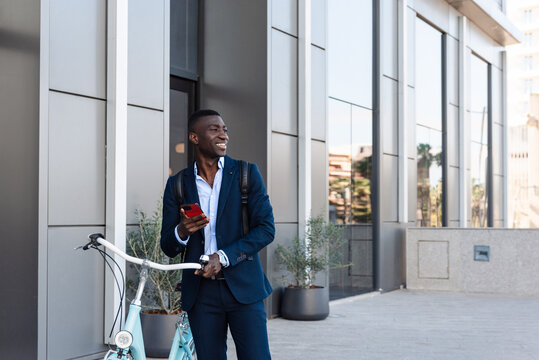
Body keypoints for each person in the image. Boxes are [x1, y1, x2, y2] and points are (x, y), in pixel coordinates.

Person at [160, 109, 274, 360]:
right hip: (201, 294)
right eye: (214, 129)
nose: (223, 135)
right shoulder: (177, 184)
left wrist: (222, 257)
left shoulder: (246, 174)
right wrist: (182, 230)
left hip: (244, 288)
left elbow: (266, 229)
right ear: (194, 137)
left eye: (224, 129)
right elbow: (168, 246)